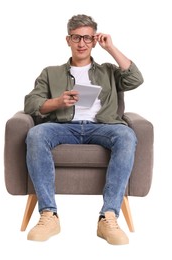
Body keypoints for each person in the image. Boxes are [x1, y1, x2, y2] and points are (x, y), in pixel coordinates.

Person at [24, 14, 144, 245]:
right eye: (77, 37)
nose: (82, 43)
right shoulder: (51, 72)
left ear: (94, 41)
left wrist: (111, 48)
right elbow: (31, 103)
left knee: (126, 135)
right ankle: (49, 215)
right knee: (36, 133)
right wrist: (57, 102)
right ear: (68, 40)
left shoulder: (108, 70)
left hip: (102, 127)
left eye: (88, 38)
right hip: (62, 127)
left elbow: (135, 79)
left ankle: (108, 216)